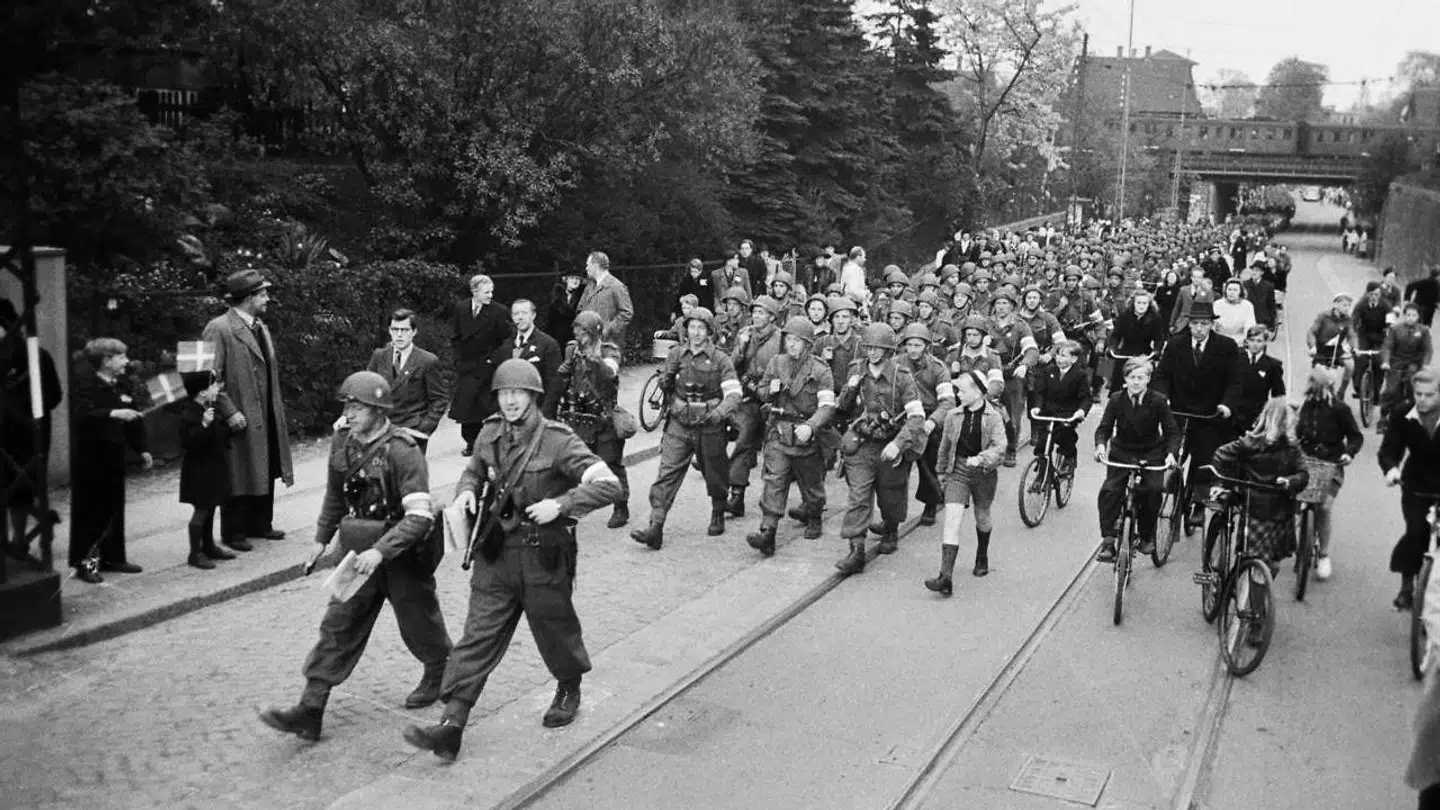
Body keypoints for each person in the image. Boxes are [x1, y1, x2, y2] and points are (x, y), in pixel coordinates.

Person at [403, 360, 622, 761]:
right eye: (504, 393)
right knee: (477, 636)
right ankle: (453, 723)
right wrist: (466, 492)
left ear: (534, 396)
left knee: (555, 630)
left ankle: (568, 685)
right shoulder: (489, 433)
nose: (511, 401)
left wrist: (562, 504)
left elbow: (609, 484)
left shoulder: (559, 440)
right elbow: (473, 472)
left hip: (543, 556)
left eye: (518, 393)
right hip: (496, 554)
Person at [259, 372, 451, 742]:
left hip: (400, 554)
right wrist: (320, 539)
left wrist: (381, 552)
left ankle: (437, 669)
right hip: (355, 549)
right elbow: (335, 496)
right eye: (347, 405)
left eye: (358, 406)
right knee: (338, 625)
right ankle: (310, 710)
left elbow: (420, 516)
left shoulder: (403, 451)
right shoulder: (343, 443)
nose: (350, 412)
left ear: (379, 410)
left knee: (419, 621)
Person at [632, 307, 742, 549]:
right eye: (692, 327)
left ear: (710, 331)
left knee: (715, 472)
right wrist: (666, 383)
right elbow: (666, 385)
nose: (696, 333)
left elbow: (734, 393)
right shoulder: (676, 355)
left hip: (710, 426)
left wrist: (719, 413)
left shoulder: (721, 359)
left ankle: (717, 510)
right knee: (667, 473)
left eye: (701, 328)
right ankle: (656, 525)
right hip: (680, 424)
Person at [202, 268, 294, 551]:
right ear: (248, 298)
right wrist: (228, 410)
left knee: (265, 464)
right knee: (239, 470)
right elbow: (207, 375)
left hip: (264, 410)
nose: (268, 299)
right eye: (263, 293)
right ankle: (233, 532)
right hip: (239, 412)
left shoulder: (259, 326)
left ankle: (260, 524)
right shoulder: (218, 328)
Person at [833, 324, 927, 574]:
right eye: (869, 347)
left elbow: (916, 416)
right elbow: (842, 408)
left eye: (878, 348)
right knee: (859, 496)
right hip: (862, 443)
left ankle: (891, 527)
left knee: (890, 493)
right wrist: (850, 388)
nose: (873, 352)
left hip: (890, 443)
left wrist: (898, 444)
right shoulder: (856, 370)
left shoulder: (902, 376)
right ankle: (856, 550)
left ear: (888, 350)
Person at [744, 317, 836, 554]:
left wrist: (812, 426)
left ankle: (814, 515)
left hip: (805, 433)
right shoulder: (776, 363)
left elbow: (827, 406)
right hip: (779, 430)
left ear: (807, 344)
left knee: (811, 483)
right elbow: (762, 393)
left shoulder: (820, 369)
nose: (792, 345)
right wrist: (769, 390)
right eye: (789, 340)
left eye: (798, 341)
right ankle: (768, 531)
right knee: (774, 479)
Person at [1209, 399, 1308, 611]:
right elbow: (1220, 456)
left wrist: (1289, 481)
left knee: (1270, 566)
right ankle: (1256, 615)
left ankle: (1255, 595)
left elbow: (1303, 475)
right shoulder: (1250, 443)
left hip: (1277, 511)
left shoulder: (1291, 448)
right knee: (1263, 566)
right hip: (1258, 508)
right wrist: (1221, 484)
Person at [68, 338, 153, 583]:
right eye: (121, 357)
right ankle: (87, 564)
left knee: (114, 508)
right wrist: (113, 413)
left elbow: (134, 419)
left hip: (115, 455)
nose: (126, 361)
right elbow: (82, 415)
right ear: (106, 360)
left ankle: (114, 557)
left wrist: (142, 449)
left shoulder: (122, 384)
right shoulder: (85, 384)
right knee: (91, 511)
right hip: (90, 458)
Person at [1155, 301, 1238, 530]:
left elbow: (1235, 381)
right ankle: (1173, 486)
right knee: (1170, 455)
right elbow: (1162, 374)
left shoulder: (1226, 347)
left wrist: (1226, 405)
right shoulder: (1175, 345)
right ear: (1189, 324)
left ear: (1212, 324)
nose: (1199, 328)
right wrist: (1162, 396)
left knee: (1204, 462)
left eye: (1204, 324)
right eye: (1194, 324)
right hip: (1178, 412)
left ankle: (1200, 504)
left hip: (1209, 415)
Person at [926, 370, 1007, 594]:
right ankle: (946, 577)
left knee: (982, 516)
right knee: (952, 520)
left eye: (962, 390)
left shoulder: (994, 417)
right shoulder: (953, 416)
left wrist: (981, 458)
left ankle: (982, 554)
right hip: (958, 470)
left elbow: (1000, 448)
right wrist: (941, 473)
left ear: (978, 391)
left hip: (983, 473)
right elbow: (944, 447)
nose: (958, 394)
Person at [1093, 358, 1179, 563]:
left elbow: (1172, 432)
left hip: (1151, 453)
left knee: (1152, 490)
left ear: (1148, 379)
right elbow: (1104, 427)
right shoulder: (1116, 399)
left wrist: (1171, 453)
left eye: (1141, 377)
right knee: (1110, 491)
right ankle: (1108, 540)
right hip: (1122, 451)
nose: (1136, 382)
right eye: (1132, 378)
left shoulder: (1158, 400)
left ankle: (1147, 536)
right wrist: (1100, 446)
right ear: (1125, 380)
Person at [555, 311, 631, 529]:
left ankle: (621, 505)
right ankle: (568, 506)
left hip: (603, 417)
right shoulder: (571, 349)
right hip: (577, 416)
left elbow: (610, 374)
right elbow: (564, 379)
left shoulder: (609, 351)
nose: (579, 335)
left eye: (584, 331)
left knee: (611, 463)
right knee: (573, 464)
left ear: (594, 332)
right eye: (577, 330)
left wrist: (594, 360)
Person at [0, 298, 62, 564]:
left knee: (22, 489)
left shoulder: (37, 357)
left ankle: (19, 540)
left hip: (28, 436)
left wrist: (23, 410)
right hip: (5, 434)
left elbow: (54, 395)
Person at [1295, 366, 1362, 582]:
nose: (1310, 388)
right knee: (1292, 500)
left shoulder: (1340, 409)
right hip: (1305, 464)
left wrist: (1349, 454)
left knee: (1324, 508)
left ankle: (1323, 554)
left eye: (1314, 384)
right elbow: (1296, 432)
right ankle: (1298, 538)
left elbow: (1355, 437)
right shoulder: (1306, 406)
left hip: (1331, 465)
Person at [1382, 368, 1440, 613]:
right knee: (1416, 531)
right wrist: (1391, 469)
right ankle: (1407, 587)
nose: (1422, 399)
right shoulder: (1403, 413)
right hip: (1416, 485)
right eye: (1418, 394)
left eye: (1429, 395)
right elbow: (1388, 449)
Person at [726, 295, 784, 518]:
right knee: (743, 441)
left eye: (762, 312)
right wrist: (740, 348)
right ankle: (737, 495)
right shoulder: (745, 334)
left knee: (776, 451)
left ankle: (787, 501)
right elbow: (731, 366)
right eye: (755, 312)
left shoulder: (780, 339)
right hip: (750, 398)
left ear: (772, 316)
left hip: (773, 400)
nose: (756, 316)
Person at [896, 323, 957, 527]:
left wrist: (933, 421)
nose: (913, 349)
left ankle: (930, 505)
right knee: (897, 468)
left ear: (926, 346)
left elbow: (948, 401)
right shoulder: (897, 364)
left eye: (918, 345)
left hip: (929, 418)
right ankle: (894, 515)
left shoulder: (938, 368)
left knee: (928, 466)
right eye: (910, 344)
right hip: (904, 418)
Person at [364, 309, 449, 454]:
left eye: (404, 330)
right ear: (390, 331)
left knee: (408, 476)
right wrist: (347, 417)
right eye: (395, 329)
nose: (399, 334)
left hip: (411, 433)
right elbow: (365, 391)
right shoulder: (379, 356)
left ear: (414, 332)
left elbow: (439, 399)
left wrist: (423, 429)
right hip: (380, 431)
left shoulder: (427, 361)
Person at [177, 371, 236, 569]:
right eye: (213, 386)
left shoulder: (209, 408)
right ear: (202, 392)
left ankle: (209, 545)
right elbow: (189, 442)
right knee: (202, 509)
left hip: (213, 467)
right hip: (199, 471)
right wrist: (203, 425)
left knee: (211, 507)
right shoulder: (190, 412)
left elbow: (219, 435)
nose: (217, 389)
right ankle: (195, 553)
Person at [450, 272, 513, 456]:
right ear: (474, 292)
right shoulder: (461, 308)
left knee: (485, 408)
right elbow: (455, 336)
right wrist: (457, 359)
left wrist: (493, 360)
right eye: (486, 292)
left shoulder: (499, 311)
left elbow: (507, 340)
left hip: (487, 366)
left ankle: (488, 443)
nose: (490, 296)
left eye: (491, 292)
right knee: (467, 409)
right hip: (466, 365)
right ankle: (470, 443)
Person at [1027, 341, 1092, 476]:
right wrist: (1037, 407)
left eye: (1063, 356)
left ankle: (1069, 457)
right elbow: (1040, 392)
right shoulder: (1049, 371)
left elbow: (1086, 397)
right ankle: (1043, 474)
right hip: (1049, 412)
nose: (1059, 359)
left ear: (1073, 359)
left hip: (1068, 414)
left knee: (1065, 434)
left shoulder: (1080, 375)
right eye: (1057, 355)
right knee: (1043, 445)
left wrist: (1081, 411)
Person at [495, 299, 563, 419]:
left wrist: (543, 416)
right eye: (516, 314)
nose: (520, 317)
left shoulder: (548, 344)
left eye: (524, 313)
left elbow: (555, 385)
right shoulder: (505, 346)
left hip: (538, 414)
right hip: (510, 414)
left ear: (533, 315)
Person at [1380, 303, 1435, 432]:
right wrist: (1386, 362)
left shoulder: (1423, 330)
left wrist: (1425, 364)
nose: (1410, 318)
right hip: (1396, 362)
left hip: (1414, 363)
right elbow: (1387, 346)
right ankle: (1383, 417)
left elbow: (1428, 349)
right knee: (1391, 390)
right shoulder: (1395, 329)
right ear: (1404, 316)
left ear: (1418, 316)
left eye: (1414, 315)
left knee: (1414, 388)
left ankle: (1414, 417)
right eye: (1408, 315)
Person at [1224, 326, 1286, 434]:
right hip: (1233, 416)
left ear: (1265, 342)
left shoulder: (1273, 366)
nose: (1255, 344)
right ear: (1247, 341)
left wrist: (1272, 417)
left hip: (1257, 417)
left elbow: (1279, 395)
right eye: (1252, 340)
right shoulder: (1235, 359)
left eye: (1259, 341)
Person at [1105, 288, 1166, 393]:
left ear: (1149, 304)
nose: (1141, 306)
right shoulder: (1125, 316)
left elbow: (1159, 338)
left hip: (1144, 354)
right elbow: (1116, 335)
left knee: (1150, 385)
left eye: (1144, 303)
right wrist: (1112, 348)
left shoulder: (1155, 318)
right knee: (1118, 383)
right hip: (1126, 352)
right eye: (1138, 303)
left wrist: (1156, 351)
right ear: (1134, 303)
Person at [577, 251, 634, 346]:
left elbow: (626, 313)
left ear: (595, 265)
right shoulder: (589, 287)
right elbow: (580, 309)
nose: (586, 268)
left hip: (609, 344)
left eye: (588, 265)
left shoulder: (616, 286)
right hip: (589, 343)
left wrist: (608, 329)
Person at [1306, 292, 1358, 396]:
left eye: (1348, 305)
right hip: (1321, 348)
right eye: (1344, 305)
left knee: (1350, 365)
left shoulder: (1348, 319)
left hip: (1336, 349)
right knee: (1320, 375)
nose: (1347, 308)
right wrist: (1312, 347)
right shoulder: (1324, 316)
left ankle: (1342, 391)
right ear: (1335, 305)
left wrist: (1351, 346)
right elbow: (1311, 332)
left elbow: (1352, 335)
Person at [1352, 281, 1393, 404]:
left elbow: (1391, 322)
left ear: (1380, 295)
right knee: (1361, 358)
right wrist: (1354, 328)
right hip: (1364, 335)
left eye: (1376, 294)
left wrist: (1388, 329)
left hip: (1380, 336)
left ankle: (1376, 392)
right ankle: (1358, 387)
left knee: (1378, 361)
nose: (1374, 297)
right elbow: (1354, 318)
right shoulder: (1361, 304)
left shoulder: (1386, 305)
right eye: (1371, 294)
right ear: (1367, 294)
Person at [544, 268, 587, 350]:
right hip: (558, 337)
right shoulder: (556, 296)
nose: (575, 281)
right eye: (572, 278)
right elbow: (550, 320)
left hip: (576, 337)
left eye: (577, 278)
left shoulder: (583, 296)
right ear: (566, 280)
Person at [1213, 279, 1257, 344]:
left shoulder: (1247, 306)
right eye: (1229, 289)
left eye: (1235, 290)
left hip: (1239, 342)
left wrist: (1246, 341)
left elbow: (1249, 326)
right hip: (1219, 341)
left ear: (1240, 292)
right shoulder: (1217, 304)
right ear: (1225, 291)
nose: (1231, 292)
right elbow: (1212, 324)